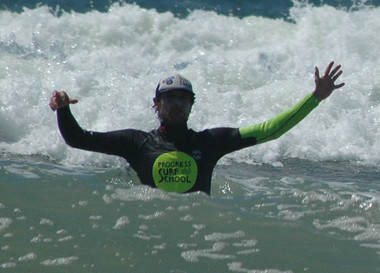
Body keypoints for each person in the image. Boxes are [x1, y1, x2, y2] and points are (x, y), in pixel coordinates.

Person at [49, 62, 344, 194]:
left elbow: (271, 129)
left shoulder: (211, 142)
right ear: (156, 105)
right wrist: (63, 110)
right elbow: (77, 139)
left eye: (183, 98)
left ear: (192, 105)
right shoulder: (136, 143)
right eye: (169, 98)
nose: (176, 103)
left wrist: (314, 98)